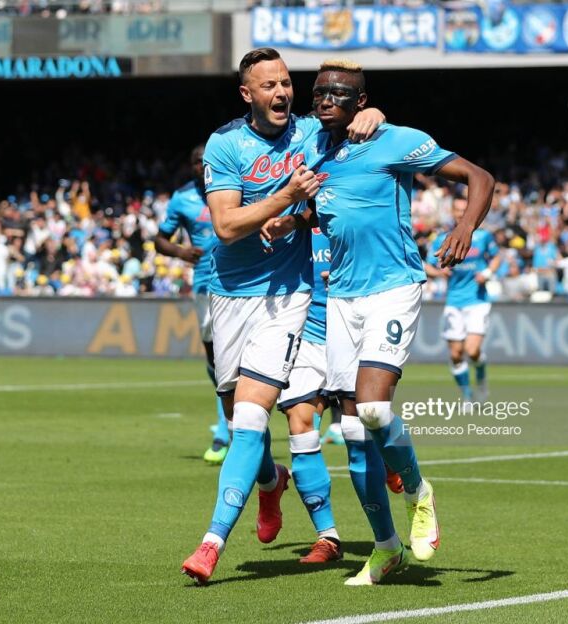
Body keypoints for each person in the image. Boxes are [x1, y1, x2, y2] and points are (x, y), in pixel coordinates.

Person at [180, 48, 385, 585]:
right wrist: (286, 197)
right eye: (269, 85)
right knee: (237, 421)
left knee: (252, 420)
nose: (282, 93)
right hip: (230, 296)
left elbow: (362, 131)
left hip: (288, 296)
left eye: (286, 83)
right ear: (247, 93)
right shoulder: (226, 144)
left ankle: (211, 543)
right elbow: (227, 227)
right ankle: (272, 483)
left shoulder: (312, 133)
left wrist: (373, 114)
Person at [306, 59, 494, 585]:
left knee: (371, 408)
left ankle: (417, 490)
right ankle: (386, 548)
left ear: (361, 102)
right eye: (319, 92)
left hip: (392, 287)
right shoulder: (311, 145)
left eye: (340, 94)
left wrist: (465, 226)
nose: (327, 100)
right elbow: (319, 206)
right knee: (351, 431)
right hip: (340, 297)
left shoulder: (395, 140)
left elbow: (480, 177)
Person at [273, 224, 344, 564]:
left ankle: (401, 471)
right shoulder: (287, 216)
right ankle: (327, 536)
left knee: (370, 426)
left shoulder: (353, 205)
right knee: (301, 426)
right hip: (306, 334)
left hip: (356, 331)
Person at [154, 145, 228, 464]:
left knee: (232, 355)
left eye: (206, 160)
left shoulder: (232, 186)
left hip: (238, 280)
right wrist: (181, 252)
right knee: (214, 356)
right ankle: (229, 415)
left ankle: (227, 429)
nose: (202, 165)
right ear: (191, 166)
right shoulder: (182, 198)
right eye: (197, 161)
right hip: (203, 282)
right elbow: (160, 240)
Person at [425, 193, 501, 401]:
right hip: (453, 300)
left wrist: (487, 273)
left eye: (463, 210)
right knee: (456, 354)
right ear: (452, 212)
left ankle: (481, 378)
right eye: (457, 210)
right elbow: (427, 264)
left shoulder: (483, 236)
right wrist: (438, 272)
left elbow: (496, 257)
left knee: (472, 350)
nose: (460, 214)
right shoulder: (442, 239)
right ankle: (468, 397)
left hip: (477, 300)